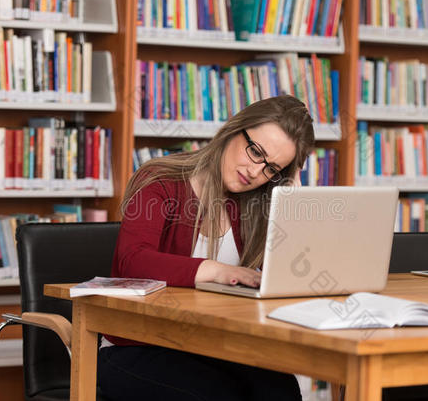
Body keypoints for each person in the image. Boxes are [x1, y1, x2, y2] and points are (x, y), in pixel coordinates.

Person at [97, 95, 315, 401]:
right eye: (255, 152)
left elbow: (281, 279)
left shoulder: (255, 205)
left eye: (271, 168)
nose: (255, 172)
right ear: (233, 129)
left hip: (211, 347)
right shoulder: (159, 179)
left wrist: (290, 203)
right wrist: (217, 271)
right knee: (219, 395)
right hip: (135, 348)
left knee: (281, 390)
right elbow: (133, 261)